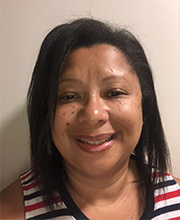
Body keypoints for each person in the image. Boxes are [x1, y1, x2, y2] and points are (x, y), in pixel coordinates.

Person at [0, 18, 180, 220]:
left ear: (144, 104)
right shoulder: (10, 212)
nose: (93, 115)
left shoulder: (176, 199)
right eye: (69, 96)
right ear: (45, 113)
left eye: (114, 92)